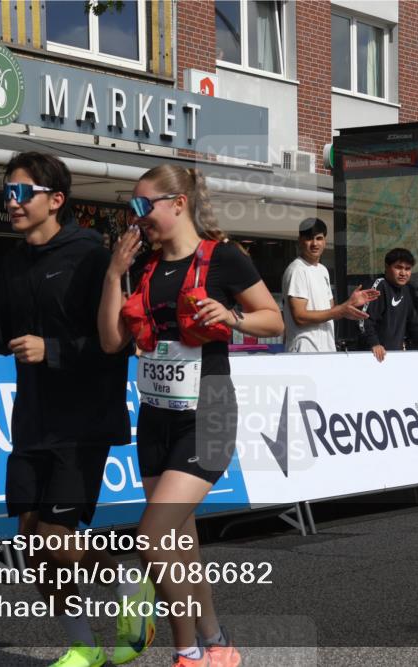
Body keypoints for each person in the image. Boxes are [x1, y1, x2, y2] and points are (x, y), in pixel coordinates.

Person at [0, 153, 149, 667]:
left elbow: (118, 344)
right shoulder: (13, 260)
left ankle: (127, 582)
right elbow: (15, 338)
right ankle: (84, 645)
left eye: (22, 192)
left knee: (56, 539)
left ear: (56, 200)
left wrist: (55, 350)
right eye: (7, 191)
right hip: (32, 418)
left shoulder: (92, 256)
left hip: (83, 418)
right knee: (31, 541)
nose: (11, 202)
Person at [99, 164, 284, 667]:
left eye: (144, 206)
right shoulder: (144, 267)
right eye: (131, 208)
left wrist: (233, 317)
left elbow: (273, 319)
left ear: (178, 203)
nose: (136, 219)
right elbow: (111, 341)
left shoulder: (224, 258)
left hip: (212, 413)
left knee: (152, 535)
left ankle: (188, 654)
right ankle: (219, 644)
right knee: (181, 542)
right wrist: (115, 273)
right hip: (157, 416)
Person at [281, 218, 378, 352]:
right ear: (300, 240)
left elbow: (331, 311)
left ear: (325, 241)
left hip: (326, 350)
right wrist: (341, 309)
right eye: (309, 238)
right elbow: (300, 317)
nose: (315, 243)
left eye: (319, 238)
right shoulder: (297, 270)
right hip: (304, 351)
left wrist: (348, 307)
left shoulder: (323, 270)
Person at [359, 248, 418, 361]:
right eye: (398, 267)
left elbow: (414, 323)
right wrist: (374, 344)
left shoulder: (406, 290)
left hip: (395, 357)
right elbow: (362, 319)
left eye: (407, 269)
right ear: (387, 267)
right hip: (371, 358)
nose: (403, 273)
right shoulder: (378, 286)